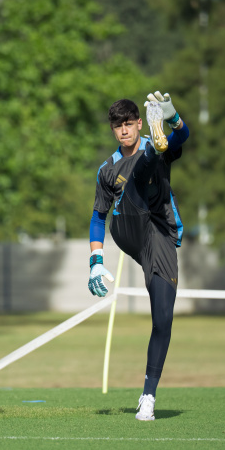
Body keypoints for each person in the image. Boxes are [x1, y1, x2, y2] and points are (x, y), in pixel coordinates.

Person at [89, 92, 189, 421]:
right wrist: (96, 263)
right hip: (126, 226)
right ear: (113, 130)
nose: (123, 131)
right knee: (136, 180)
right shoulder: (107, 169)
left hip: (159, 236)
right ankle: (152, 150)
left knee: (163, 319)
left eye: (129, 124)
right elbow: (97, 219)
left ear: (138, 124)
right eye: (117, 126)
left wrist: (172, 115)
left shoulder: (163, 146)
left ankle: (148, 396)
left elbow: (183, 136)